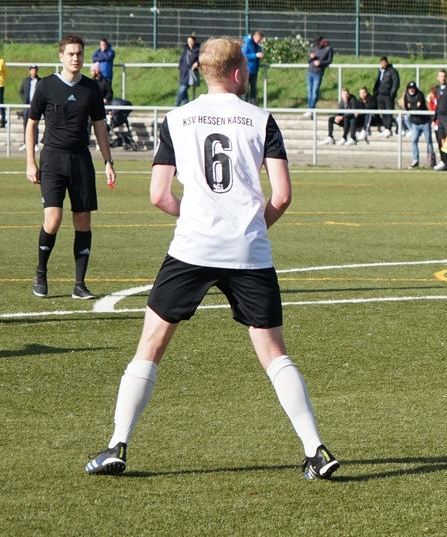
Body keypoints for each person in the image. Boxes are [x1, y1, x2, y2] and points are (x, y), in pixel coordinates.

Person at [82, 36, 338, 481]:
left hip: (193, 247)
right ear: (239, 73)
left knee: (151, 345)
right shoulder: (261, 119)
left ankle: (116, 445)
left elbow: (159, 195)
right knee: (274, 353)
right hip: (248, 250)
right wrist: (250, 226)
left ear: (202, 72)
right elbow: (282, 195)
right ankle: (315, 450)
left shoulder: (177, 119)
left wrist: (199, 217)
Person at [25, 34, 116, 300]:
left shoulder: (91, 88)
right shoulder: (46, 86)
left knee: (83, 221)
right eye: (71, 54)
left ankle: (79, 284)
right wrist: (31, 161)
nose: (76, 58)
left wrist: (108, 162)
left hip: (80, 160)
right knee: (53, 220)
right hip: (52, 159)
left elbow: (99, 127)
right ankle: (41, 272)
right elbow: (31, 124)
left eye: (79, 54)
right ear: (61, 56)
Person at [403, 81, 433, 168]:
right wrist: (413, 106)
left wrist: (411, 106)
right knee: (414, 141)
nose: (411, 90)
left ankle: (430, 160)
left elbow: (419, 107)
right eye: (410, 88)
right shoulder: (406, 96)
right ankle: (415, 160)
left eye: (413, 88)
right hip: (415, 123)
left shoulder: (420, 94)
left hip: (425, 122)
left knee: (429, 141)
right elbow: (407, 108)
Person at [373, 56, 400, 136]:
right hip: (380, 95)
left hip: (388, 95)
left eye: (385, 62)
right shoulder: (381, 71)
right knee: (383, 111)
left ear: (387, 62)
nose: (383, 64)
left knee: (389, 112)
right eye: (382, 62)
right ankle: (386, 128)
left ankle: (389, 128)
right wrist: (376, 92)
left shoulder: (392, 71)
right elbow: (378, 82)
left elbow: (396, 83)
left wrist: (392, 94)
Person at [306, 35, 333, 111]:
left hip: (318, 73)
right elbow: (308, 60)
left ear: (322, 41)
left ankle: (311, 109)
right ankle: (310, 108)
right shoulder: (314, 49)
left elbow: (329, 61)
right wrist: (311, 57)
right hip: (310, 72)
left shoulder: (328, 49)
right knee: (309, 91)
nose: (317, 45)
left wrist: (321, 63)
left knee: (314, 91)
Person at [18, 63, 41, 149]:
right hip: (27, 106)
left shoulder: (40, 81)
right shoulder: (26, 81)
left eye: (35, 70)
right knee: (26, 124)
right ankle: (26, 143)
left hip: (35, 106)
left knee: (35, 124)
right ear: (30, 71)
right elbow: (21, 91)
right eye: (32, 70)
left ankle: (35, 143)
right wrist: (24, 99)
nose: (34, 72)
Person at [176, 35, 201, 106]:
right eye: (188, 41)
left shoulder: (198, 50)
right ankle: (185, 106)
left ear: (194, 41)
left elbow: (201, 58)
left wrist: (197, 63)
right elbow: (181, 59)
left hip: (191, 72)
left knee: (183, 89)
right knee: (184, 93)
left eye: (191, 41)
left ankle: (176, 105)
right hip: (183, 72)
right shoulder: (186, 50)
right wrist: (180, 67)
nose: (190, 43)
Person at [241, 30, 264, 105]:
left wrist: (260, 54)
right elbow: (244, 55)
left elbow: (258, 50)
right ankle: (244, 105)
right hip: (247, 69)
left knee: (253, 88)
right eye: (259, 40)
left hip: (254, 69)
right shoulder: (247, 42)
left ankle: (253, 104)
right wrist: (255, 55)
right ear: (255, 36)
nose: (259, 42)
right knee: (245, 89)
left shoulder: (257, 44)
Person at [0, 52, 6, 128]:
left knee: (1, 102)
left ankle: (3, 119)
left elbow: (5, 73)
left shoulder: (1, 61)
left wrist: (1, 81)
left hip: (0, 85)